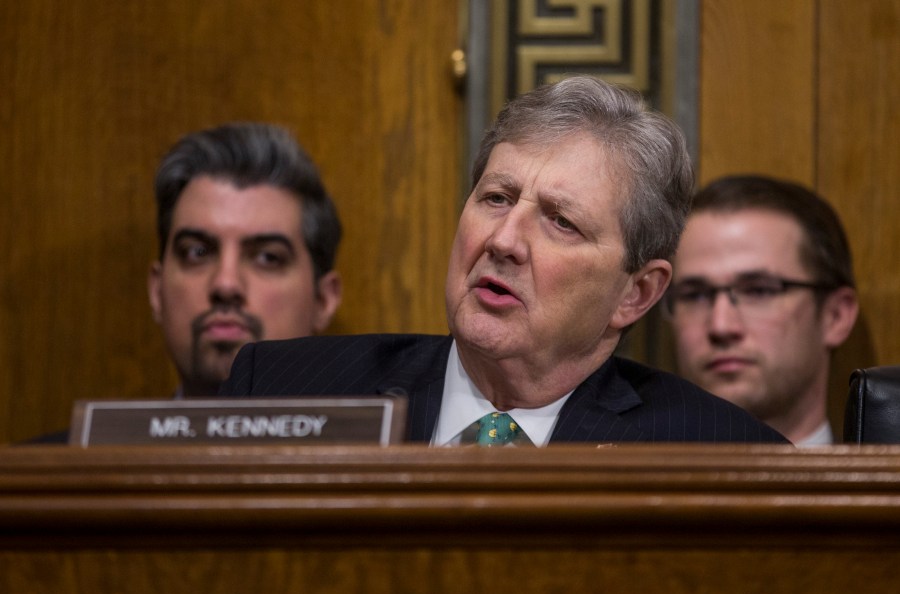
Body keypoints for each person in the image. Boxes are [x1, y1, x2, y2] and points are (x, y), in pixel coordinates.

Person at [221, 77, 786, 445]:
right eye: (497, 198)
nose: (505, 240)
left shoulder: (721, 452)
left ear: (635, 293)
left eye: (560, 222)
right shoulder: (277, 391)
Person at [148, 122, 343, 397]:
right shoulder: (79, 442)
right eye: (197, 252)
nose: (226, 285)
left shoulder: (399, 441)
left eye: (268, 257)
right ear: (156, 292)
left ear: (323, 301)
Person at [665, 175, 859, 445]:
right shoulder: (625, 485)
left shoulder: (883, 487)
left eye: (758, 291)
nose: (721, 326)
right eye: (694, 295)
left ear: (835, 316)